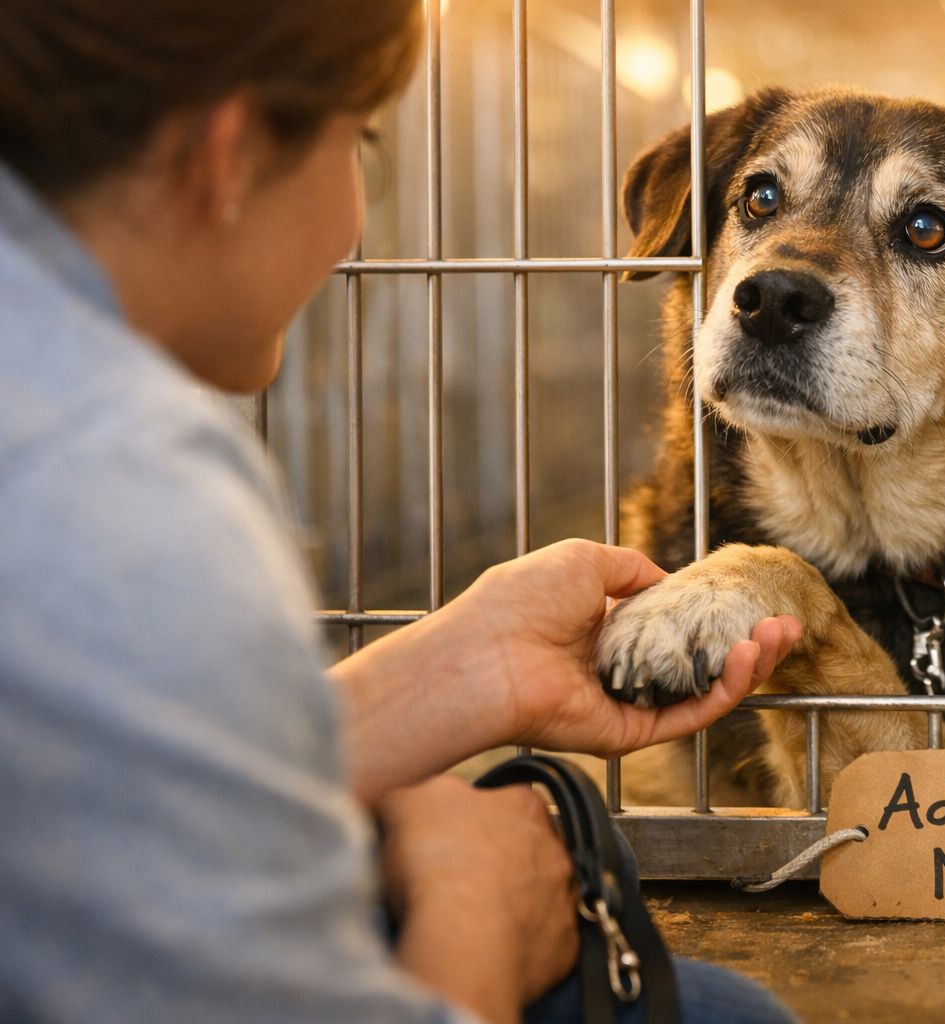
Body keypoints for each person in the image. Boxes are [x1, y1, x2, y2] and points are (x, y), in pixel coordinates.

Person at [0, 3, 801, 1022]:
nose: (360, 215)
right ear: (231, 151)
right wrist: (482, 905)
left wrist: (462, 665)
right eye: (360, 144)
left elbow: (85, 787)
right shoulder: (115, 476)